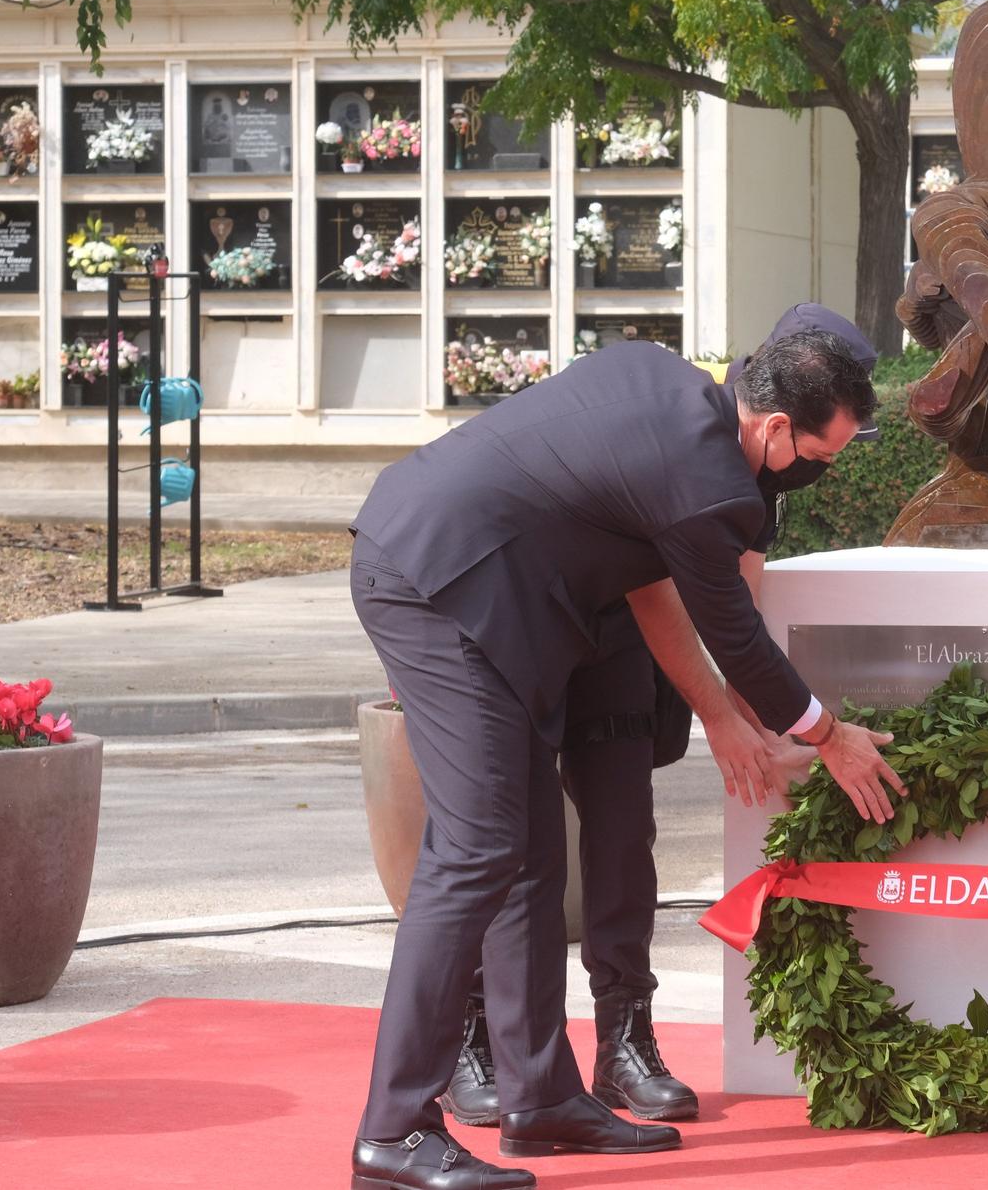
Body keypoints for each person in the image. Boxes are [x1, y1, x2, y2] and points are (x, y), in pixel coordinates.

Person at [347, 332, 904, 1190]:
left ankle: (541, 1099)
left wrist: (746, 720)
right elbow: (739, 641)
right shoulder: (707, 482)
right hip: (437, 588)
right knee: (477, 852)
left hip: (480, 593)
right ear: (775, 426)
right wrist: (830, 736)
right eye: (818, 455)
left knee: (529, 852)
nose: (815, 473)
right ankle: (395, 1130)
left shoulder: (661, 382)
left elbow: (654, 597)